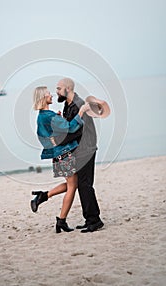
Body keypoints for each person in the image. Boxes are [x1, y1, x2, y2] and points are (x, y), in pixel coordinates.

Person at [31, 86, 88, 233]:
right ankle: (61, 220)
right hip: (63, 154)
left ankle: (43, 197)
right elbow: (70, 128)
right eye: (48, 93)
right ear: (43, 97)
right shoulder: (48, 116)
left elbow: (49, 135)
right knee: (72, 186)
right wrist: (81, 111)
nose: (51, 95)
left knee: (72, 184)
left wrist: (58, 121)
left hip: (59, 154)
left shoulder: (43, 115)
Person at [56, 77, 104, 233]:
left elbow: (75, 130)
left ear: (67, 89)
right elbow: (70, 125)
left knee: (85, 184)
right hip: (78, 149)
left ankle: (94, 220)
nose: (56, 91)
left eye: (59, 88)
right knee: (83, 184)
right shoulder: (67, 105)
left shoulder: (78, 105)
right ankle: (90, 219)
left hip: (86, 148)